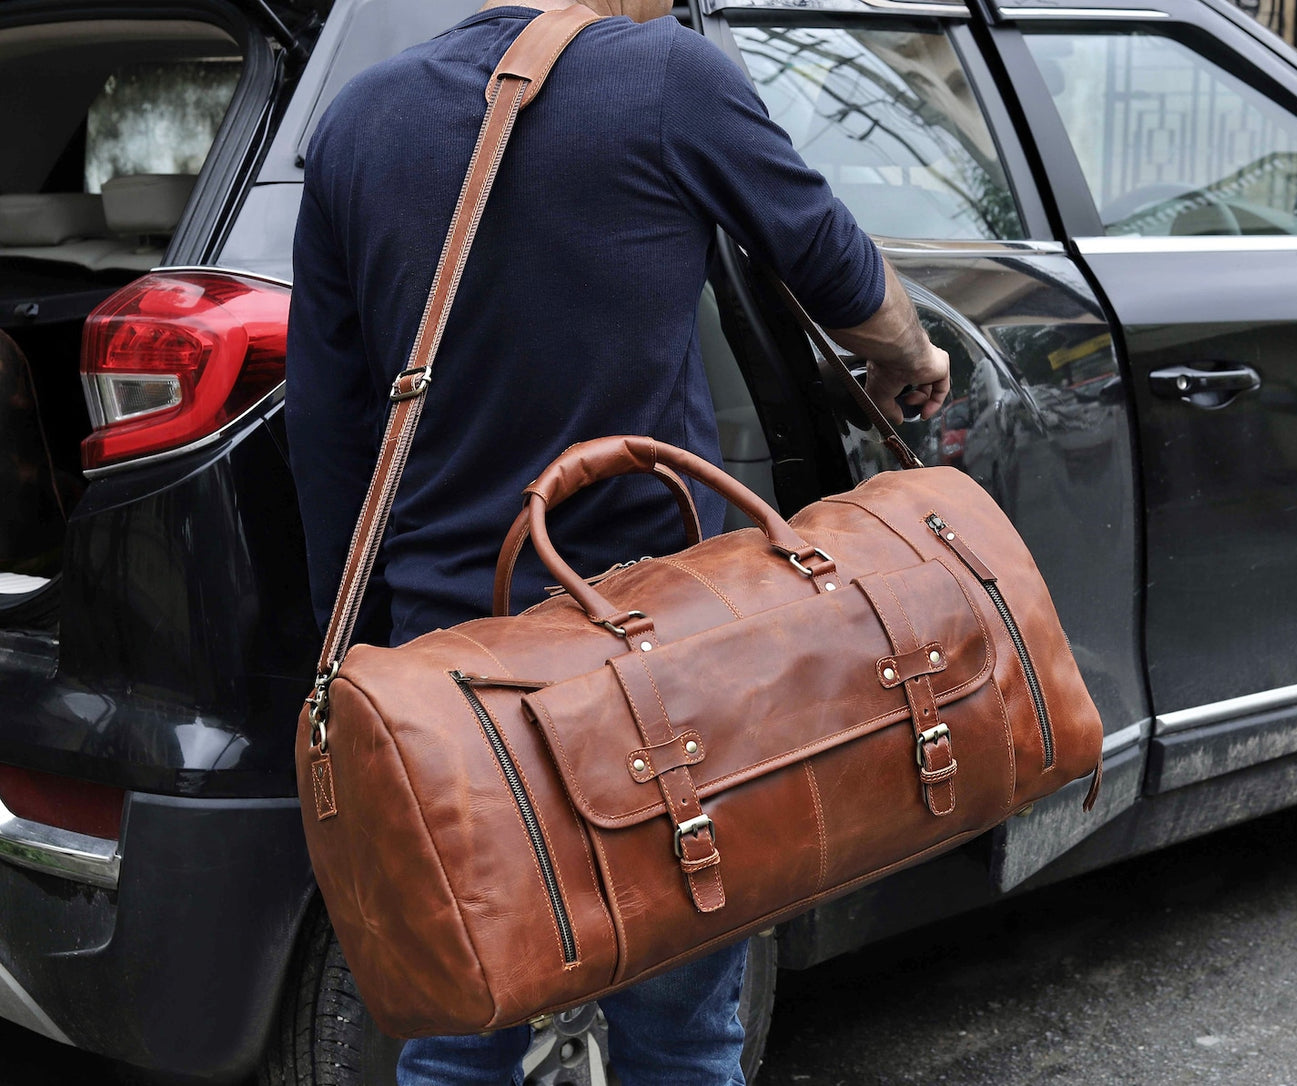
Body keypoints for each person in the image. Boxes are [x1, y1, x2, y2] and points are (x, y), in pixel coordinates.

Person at [284, 0, 950, 1080]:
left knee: (459, 1038)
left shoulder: (358, 123)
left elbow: (328, 427)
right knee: (681, 1036)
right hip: (654, 661)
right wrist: (911, 356)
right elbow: (838, 276)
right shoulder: (666, 80)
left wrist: (350, 648)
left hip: (456, 675)